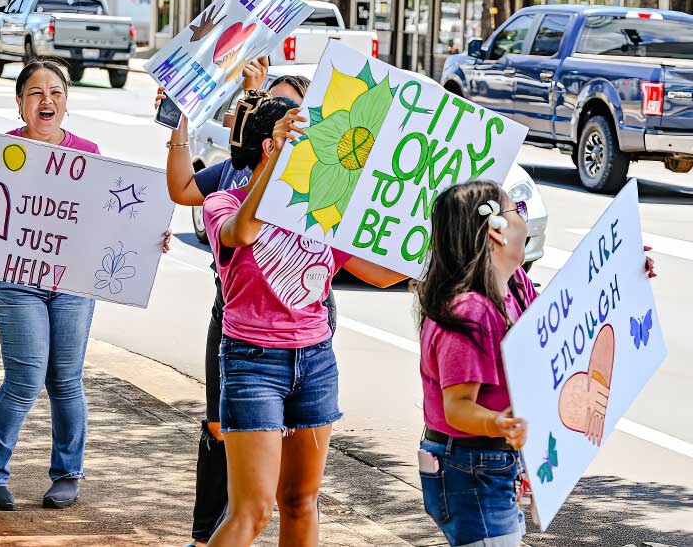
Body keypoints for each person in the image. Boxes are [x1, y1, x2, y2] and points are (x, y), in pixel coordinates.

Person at [0, 58, 171, 511]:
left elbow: (109, 218)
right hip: (17, 282)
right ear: (19, 105)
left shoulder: (87, 152)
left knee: (66, 380)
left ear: (67, 103)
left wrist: (150, 235)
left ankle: (68, 473)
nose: (46, 100)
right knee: (25, 378)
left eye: (55, 92)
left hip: (72, 284)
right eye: (35, 92)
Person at [201, 97, 405, 546]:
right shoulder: (222, 202)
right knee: (251, 512)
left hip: (315, 362)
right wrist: (276, 165)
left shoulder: (322, 211)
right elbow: (243, 232)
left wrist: (445, 234)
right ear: (268, 145)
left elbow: (383, 272)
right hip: (251, 363)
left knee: (300, 501)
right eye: (299, 140)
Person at [413, 181, 656, 546]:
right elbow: (457, 407)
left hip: (487, 462)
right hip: (470, 467)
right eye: (518, 211)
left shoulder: (514, 285)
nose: (525, 221)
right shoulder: (470, 311)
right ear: (495, 232)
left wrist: (627, 270)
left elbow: (567, 320)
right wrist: (498, 422)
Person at [156, 63, 320, 547]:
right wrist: (181, 122)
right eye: (275, 108)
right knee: (229, 452)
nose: (286, 119)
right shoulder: (230, 184)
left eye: (295, 111)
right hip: (244, 334)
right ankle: (208, 531)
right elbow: (199, 199)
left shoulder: (319, 187)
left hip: (307, 339)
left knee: (299, 497)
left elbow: (377, 260)